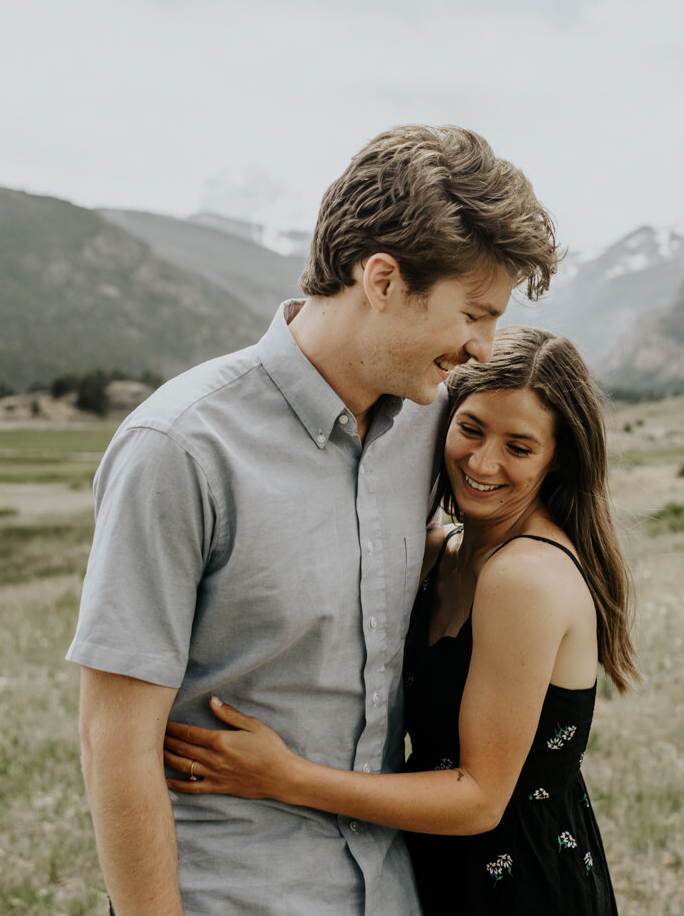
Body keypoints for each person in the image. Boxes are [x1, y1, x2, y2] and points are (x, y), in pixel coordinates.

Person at [65, 125, 559, 916]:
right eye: (474, 313)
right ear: (383, 279)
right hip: (234, 892)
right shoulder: (181, 448)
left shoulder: (434, 429)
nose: (482, 346)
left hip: (395, 891)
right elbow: (113, 742)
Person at [162, 326, 638, 915]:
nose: (483, 462)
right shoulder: (443, 553)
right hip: (433, 868)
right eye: (471, 429)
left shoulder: (525, 578)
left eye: (519, 447)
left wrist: (285, 777)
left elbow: (480, 798)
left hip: (517, 887)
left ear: (556, 459)